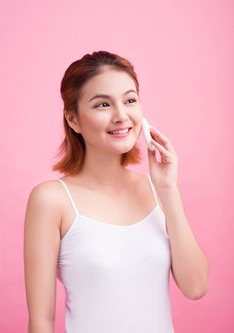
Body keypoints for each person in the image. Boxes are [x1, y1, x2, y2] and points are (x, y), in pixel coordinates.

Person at [24, 50, 209, 333]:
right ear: (73, 119)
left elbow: (196, 287)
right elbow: (41, 321)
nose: (121, 116)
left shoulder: (159, 190)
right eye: (102, 105)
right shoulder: (52, 200)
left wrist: (168, 190)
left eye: (130, 100)